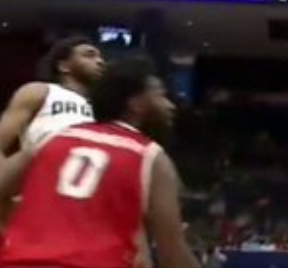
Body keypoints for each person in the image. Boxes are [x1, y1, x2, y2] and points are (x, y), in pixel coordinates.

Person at [0, 58, 198, 268]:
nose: (170, 106)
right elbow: (173, 254)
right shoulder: (152, 157)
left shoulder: (52, 139)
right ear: (136, 103)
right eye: (161, 96)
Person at [0, 36, 104, 156]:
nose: (100, 61)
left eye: (100, 57)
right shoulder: (40, 91)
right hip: (42, 169)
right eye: (89, 55)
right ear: (63, 66)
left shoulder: (102, 108)